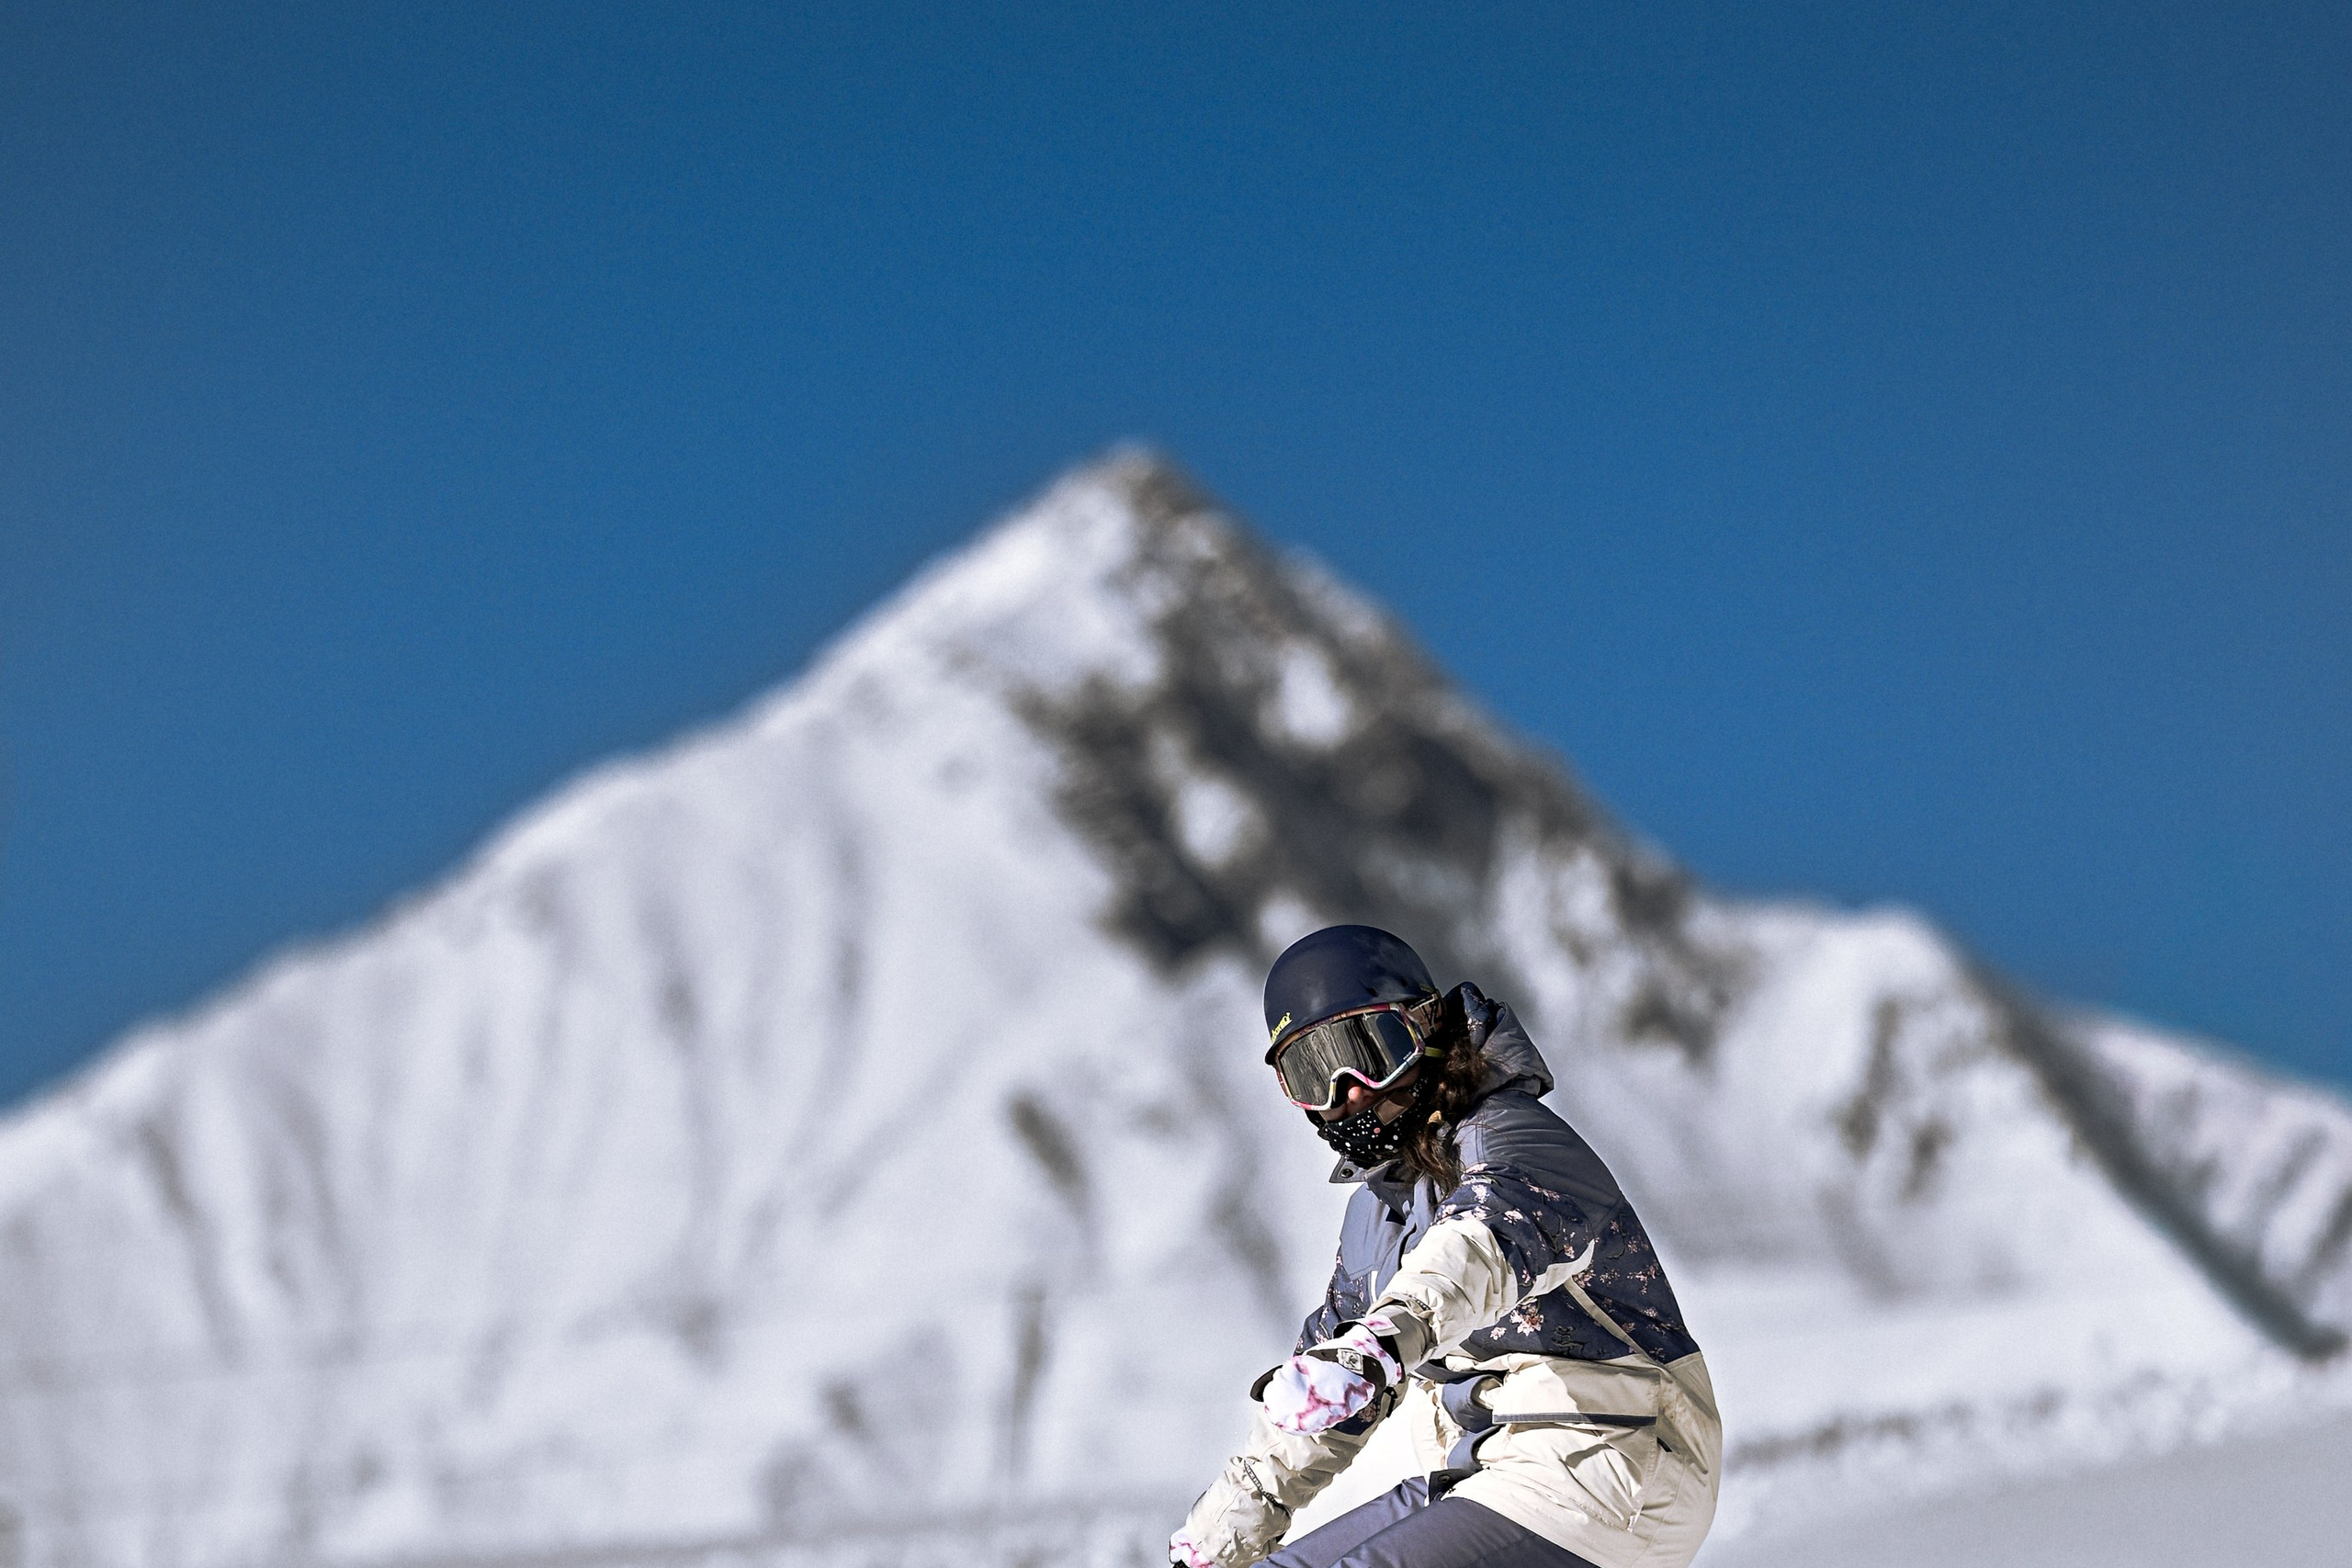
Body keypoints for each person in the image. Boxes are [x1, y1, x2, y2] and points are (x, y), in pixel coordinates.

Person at [1171, 926, 1720, 1568]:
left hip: (1611, 1463)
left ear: (1426, 1028)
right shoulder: (1375, 1219)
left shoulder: (1513, 1140)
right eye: (1313, 1072)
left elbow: (1478, 1250)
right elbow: (1320, 1398)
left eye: (1367, 1049)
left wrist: (1379, 1343)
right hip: (1486, 1471)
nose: (1348, 1090)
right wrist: (1216, 1539)